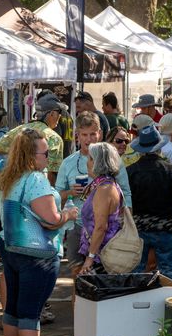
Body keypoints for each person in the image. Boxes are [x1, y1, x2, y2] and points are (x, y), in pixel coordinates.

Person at [0, 128, 77, 336]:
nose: (49, 157)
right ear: (32, 155)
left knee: (12, 310)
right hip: (35, 253)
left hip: (10, 248)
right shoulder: (36, 180)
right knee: (30, 313)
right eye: (46, 152)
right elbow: (51, 219)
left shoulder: (9, 176)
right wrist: (68, 215)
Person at [56, 111, 131, 277]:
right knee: (78, 276)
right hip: (78, 227)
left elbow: (126, 194)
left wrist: (127, 225)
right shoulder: (68, 163)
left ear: (100, 134)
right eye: (84, 134)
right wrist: (70, 192)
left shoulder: (113, 160)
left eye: (92, 134)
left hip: (107, 232)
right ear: (77, 136)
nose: (89, 139)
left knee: (104, 278)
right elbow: (56, 196)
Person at [126, 125, 172, 281]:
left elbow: (126, 205)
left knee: (137, 271)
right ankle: (170, 303)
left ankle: (134, 302)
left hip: (138, 228)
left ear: (140, 149)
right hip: (165, 228)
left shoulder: (130, 171)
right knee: (169, 272)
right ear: (159, 147)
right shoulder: (171, 170)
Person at [0, 92, 65, 186]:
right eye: (59, 113)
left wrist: (20, 154)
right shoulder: (54, 138)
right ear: (51, 114)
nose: (60, 116)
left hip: (15, 185)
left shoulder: (20, 129)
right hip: (39, 188)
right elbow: (52, 173)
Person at [78, 142, 124, 274]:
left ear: (97, 162)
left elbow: (101, 227)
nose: (88, 162)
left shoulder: (105, 188)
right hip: (99, 252)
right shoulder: (105, 184)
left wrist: (90, 258)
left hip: (101, 256)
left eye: (90, 158)